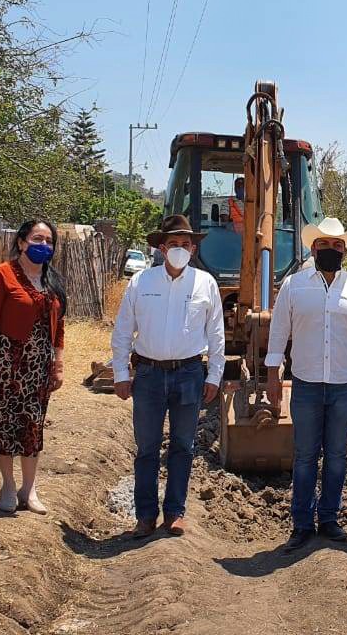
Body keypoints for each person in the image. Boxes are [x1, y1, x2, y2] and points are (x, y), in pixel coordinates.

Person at [265, 217, 347, 550]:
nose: (331, 249)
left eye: (337, 245)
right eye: (324, 244)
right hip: (306, 385)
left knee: (337, 455)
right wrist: (274, 373)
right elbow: (278, 332)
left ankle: (329, 519)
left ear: (345, 250)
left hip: (344, 385)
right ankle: (301, 524)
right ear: (313, 248)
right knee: (304, 457)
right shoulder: (294, 285)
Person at [111, 214, 225, 539]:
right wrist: (121, 372)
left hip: (189, 373)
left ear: (192, 248)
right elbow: (122, 331)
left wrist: (214, 375)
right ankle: (145, 516)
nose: (179, 249)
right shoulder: (141, 283)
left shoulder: (206, 284)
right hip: (147, 374)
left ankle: (175, 512)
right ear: (162, 248)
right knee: (146, 448)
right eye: (172, 244)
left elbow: (217, 335)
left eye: (184, 244)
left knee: (183, 447)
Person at [0, 220, 67, 515]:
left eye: (49, 241)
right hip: (5, 362)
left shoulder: (53, 280)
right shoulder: (3, 275)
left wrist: (58, 364)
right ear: (22, 242)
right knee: (3, 423)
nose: (44, 245)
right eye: (37, 239)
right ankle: (9, 486)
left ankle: (30, 487)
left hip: (39, 366)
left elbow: (59, 326)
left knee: (32, 426)